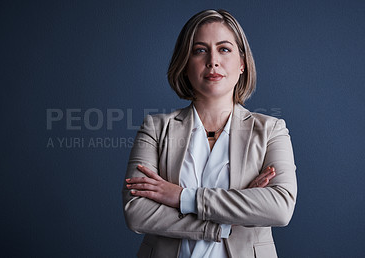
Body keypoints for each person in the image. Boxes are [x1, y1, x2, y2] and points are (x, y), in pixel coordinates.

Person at [122, 9, 297, 258]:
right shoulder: (155, 128)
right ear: (184, 64)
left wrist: (182, 197)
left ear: (242, 63)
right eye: (200, 50)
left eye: (224, 49)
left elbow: (279, 208)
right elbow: (136, 211)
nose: (212, 61)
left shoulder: (271, 130)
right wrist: (231, 215)